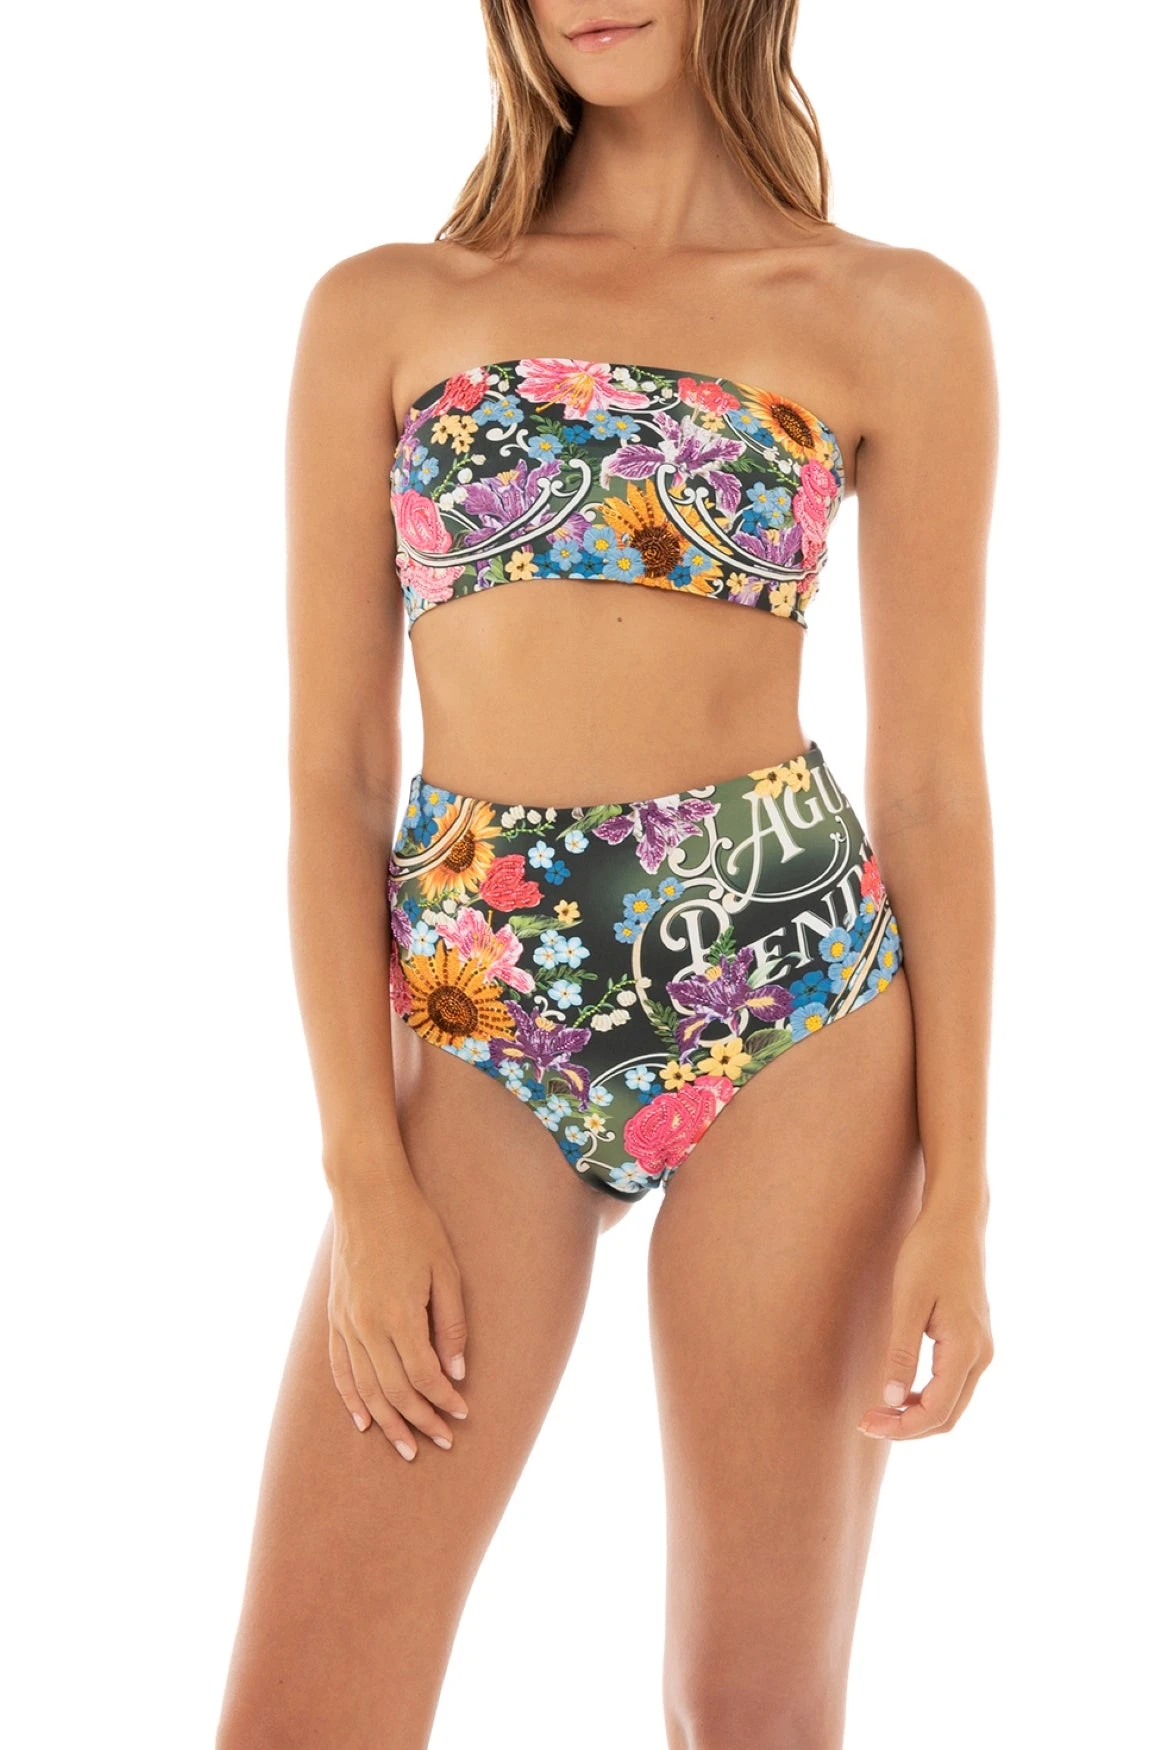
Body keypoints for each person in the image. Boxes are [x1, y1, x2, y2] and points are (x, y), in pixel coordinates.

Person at [217, 3, 997, 1744]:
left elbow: (933, 783)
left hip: (793, 1001)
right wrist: (362, 1170)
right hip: (475, 1013)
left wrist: (961, 1188)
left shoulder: (894, 314)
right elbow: (334, 774)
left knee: (750, 1710)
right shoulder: (388, 308)